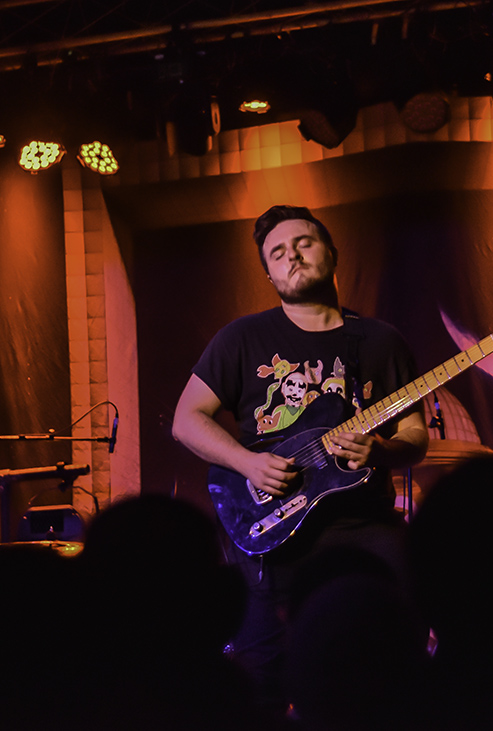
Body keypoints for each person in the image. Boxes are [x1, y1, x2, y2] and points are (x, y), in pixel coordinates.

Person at [172, 205, 429, 718]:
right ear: (269, 274)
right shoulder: (242, 338)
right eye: (277, 253)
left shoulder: (380, 340)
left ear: (331, 254)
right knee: (261, 676)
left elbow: (415, 435)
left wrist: (383, 451)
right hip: (273, 524)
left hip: (365, 526)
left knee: (393, 661)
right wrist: (247, 464)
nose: (292, 256)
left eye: (303, 243)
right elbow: (186, 420)